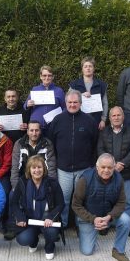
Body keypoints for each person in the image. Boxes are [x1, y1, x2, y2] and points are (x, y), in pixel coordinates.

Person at [49, 90, 97, 228]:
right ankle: (62, 226)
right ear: (65, 103)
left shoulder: (89, 121)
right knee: (63, 200)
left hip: (84, 169)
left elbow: (95, 142)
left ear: (80, 103)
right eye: (70, 102)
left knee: (81, 200)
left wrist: (91, 164)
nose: (72, 105)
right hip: (63, 169)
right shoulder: (57, 120)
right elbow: (51, 142)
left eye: (75, 102)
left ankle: (81, 225)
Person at [72, 153, 130, 261]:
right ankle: (86, 230)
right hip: (90, 217)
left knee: (126, 220)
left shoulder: (119, 179)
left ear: (114, 167)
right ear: (97, 166)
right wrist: (93, 219)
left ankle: (118, 250)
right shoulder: (85, 179)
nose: (106, 170)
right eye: (103, 167)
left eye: (110, 167)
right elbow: (76, 205)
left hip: (108, 215)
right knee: (87, 251)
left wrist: (109, 217)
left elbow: (121, 203)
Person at [10, 155, 64, 260]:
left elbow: (60, 204)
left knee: (52, 233)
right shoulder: (23, 182)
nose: (37, 170)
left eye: (39, 167)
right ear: (29, 170)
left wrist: (51, 217)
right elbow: (14, 203)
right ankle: (33, 240)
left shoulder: (52, 183)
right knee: (23, 239)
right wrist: (20, 217)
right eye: (33, 167)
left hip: (47, 219)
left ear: (44, 169)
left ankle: (49, 245)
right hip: (30, 219)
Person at [97, 106, 130, 235]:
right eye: (113, 116)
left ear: (123, 117)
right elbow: (100, 149)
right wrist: (111, 165)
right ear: (109, 118)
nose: (116, 118)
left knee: (127, 201)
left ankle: (126, 225)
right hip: (107, 173)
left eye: (118, 115)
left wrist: (123, 164)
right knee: (107, 200)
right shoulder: (104, 132)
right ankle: (106, 224)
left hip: (125, 173)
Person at [10, 120, 57, 190]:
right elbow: (15, 168)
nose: (34, 133)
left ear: (40, 131)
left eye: (37, 130)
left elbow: (51, 168)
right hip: (25, 178)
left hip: (42, 179)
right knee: (12, 196)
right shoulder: (19, 144)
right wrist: (15, 187)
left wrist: (50, 186)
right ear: (27, 131)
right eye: (31, 130)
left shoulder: (47, 144)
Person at [69, 56, 108, 130]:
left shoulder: (101, 85)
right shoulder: (74, 84)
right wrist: (80, 95)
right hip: (78, 120)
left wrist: (103, 120)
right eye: (85, 66)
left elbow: (105, 103)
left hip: (96, 121)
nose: (88, 68)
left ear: (94, 69)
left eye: (90, 66)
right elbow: (67, 100)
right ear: (82, 69)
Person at [24, 65, 66, 131]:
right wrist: (27, 104)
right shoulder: (35, 89)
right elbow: (25, 107)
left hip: (53, 126)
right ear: (40, 76)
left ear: (53, 77)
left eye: (49, 75)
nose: (47, 78)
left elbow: (65, 108)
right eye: (44, 75)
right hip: (36, 127)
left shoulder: (59, 91)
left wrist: (59, 118)